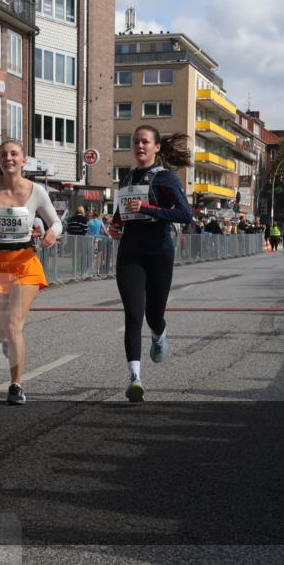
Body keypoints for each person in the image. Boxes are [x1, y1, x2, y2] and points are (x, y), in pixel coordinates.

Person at [0, 139, 62, 406]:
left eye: (14, 154)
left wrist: (53, 232)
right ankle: (7, 341)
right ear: (0, 160)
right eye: (4, 154)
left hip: (24, 261)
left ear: (23, 161)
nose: (9, 158)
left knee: (13, 323)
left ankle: (16, 385)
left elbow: (56, 221)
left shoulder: (37, 191)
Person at [107, 125, 193, 402]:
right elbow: (122, 212)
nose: (139, 146)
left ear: (156, 147)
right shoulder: (126, 178)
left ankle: (159, 333)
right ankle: (135, 378)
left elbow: (184, 214)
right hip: (130, 251)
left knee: (153, 315)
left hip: (159, 252)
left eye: (144, 142)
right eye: (135, 142)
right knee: (133, 315)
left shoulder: (165, 178)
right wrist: (115, 225)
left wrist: (146, 209)